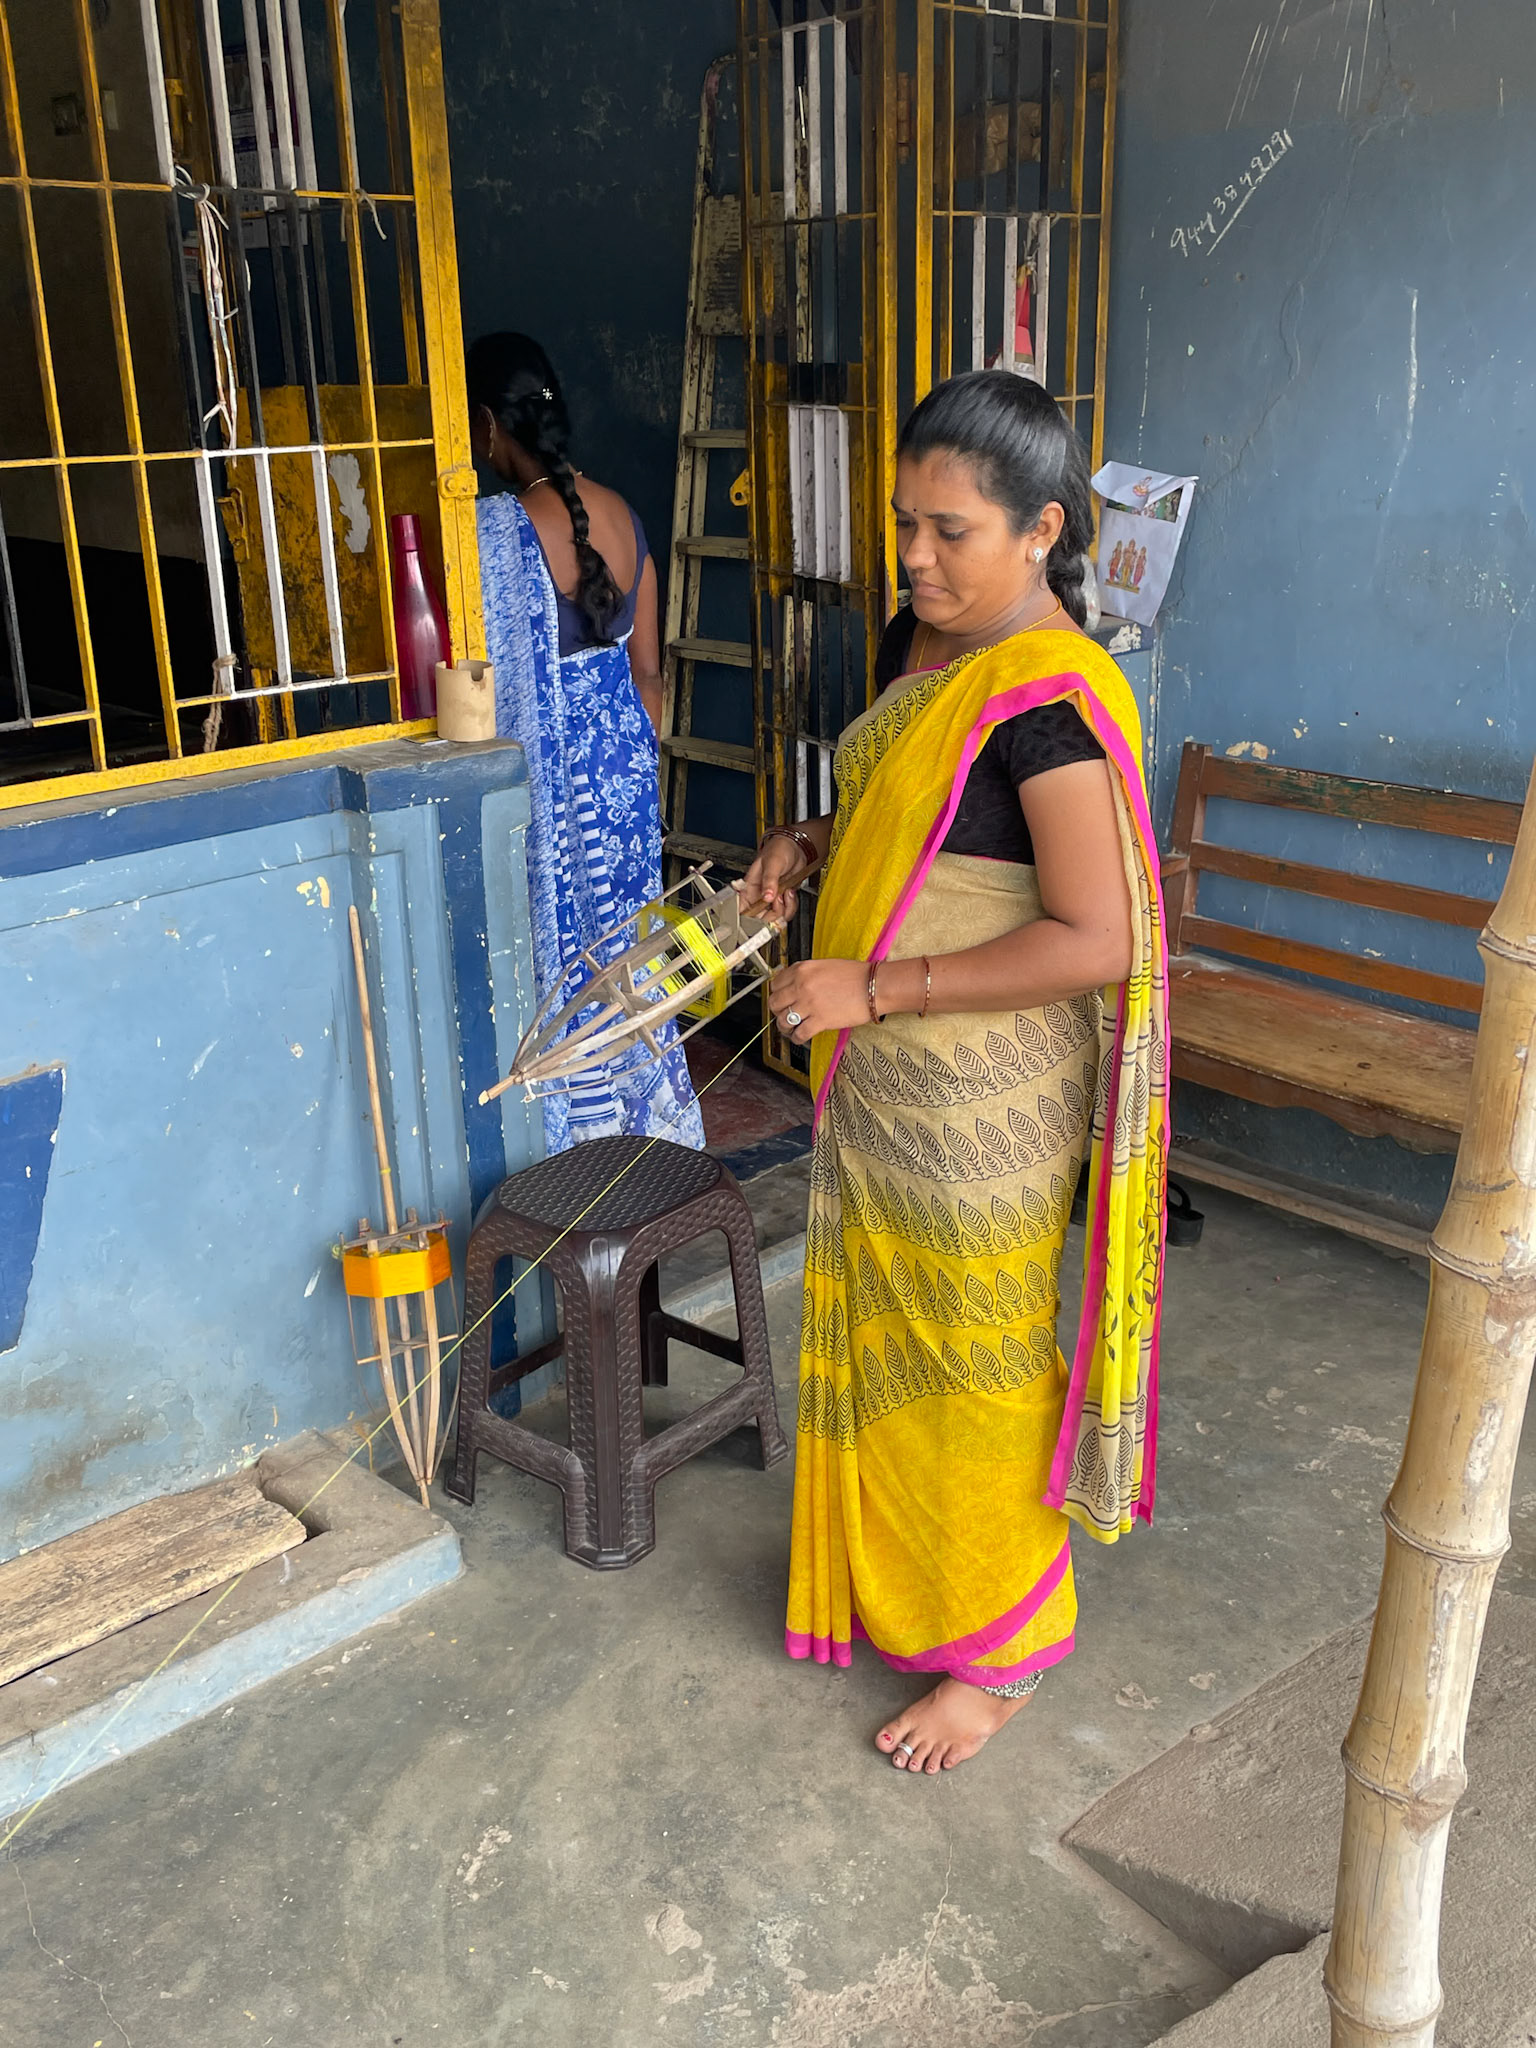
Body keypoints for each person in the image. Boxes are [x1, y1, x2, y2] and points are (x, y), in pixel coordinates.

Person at [741, 371, 1167, 1774]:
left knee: (976, 1358)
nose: (916, 557)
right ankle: (909, 1582)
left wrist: (874, 984)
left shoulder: (1048, 700)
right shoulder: (922, 648)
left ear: (1042, 530)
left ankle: (1001, 1657)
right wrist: (811, 838)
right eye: (903, 523)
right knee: (888, 1334)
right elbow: (906, 808)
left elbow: (1094, 936)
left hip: (983, 1095)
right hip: (884, 1089)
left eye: (952, 531)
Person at [467, 332, 704, 1155]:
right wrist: (623, 777)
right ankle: (643, 1139)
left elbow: (475, 691)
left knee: (556, 970)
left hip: (550, 791)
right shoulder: (626, 516)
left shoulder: (495, 532)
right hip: (623, 787)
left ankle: (575, 1149)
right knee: (627, 959)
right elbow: (650, 678)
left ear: (489, 425)